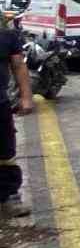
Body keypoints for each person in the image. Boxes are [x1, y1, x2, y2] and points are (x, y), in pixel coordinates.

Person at [0, 20, 34, 218]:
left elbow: (19, 65)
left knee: (5, 152)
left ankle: (8, 197)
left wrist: (26, 97)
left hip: (0, 103)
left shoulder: (7, 36)